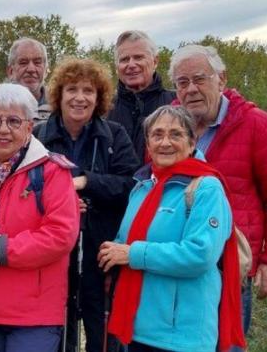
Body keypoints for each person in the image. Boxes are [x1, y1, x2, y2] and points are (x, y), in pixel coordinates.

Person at [169, 44, 267, 349]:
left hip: (231, 268)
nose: (191, 90)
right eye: (182, 83)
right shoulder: (170, 127)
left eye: (200, 79)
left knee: (225, 344)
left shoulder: (255, 124)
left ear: (221, 79)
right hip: (180, 265)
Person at [97, 105, 245, 352]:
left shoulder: (206, 188)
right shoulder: (143, 186)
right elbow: (126, 240)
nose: (165, 142)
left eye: (175, 134)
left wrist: (132, 254)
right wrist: (112, 251)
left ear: (191, 141)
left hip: (181, 336)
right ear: (147, 143)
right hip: (136, 327)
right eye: (157, 135)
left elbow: (200, 255)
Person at [0, 83, 80, 352]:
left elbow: (60, 236)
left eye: (14, 121)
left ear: (29, 126)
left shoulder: (52, 172)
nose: (4, 129)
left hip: (34, 313)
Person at [33, 58, 139, 352]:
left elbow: (132, 184)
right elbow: (26, 191)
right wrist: (61, 205)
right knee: (58, 338)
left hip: (102, 254)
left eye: (88, 91)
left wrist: (86, 182)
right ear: (59, 94)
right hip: (54, 256)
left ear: (99, 97)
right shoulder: (38, 137)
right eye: (72, 89)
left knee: (104, 339)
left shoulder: (114, 135)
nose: (80, 98)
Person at [107, 30, 175, 162]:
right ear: (117, 67)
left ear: (155, 61)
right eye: (124, 59)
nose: (131, 65)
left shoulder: (176, 103)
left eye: (138, 57)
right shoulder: (104, 109)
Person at [7, 37, 52, 120]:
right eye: (23, 63)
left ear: (46, 70)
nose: (31, 69)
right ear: (10, 71)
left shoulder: (60, 107)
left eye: (37, 62)